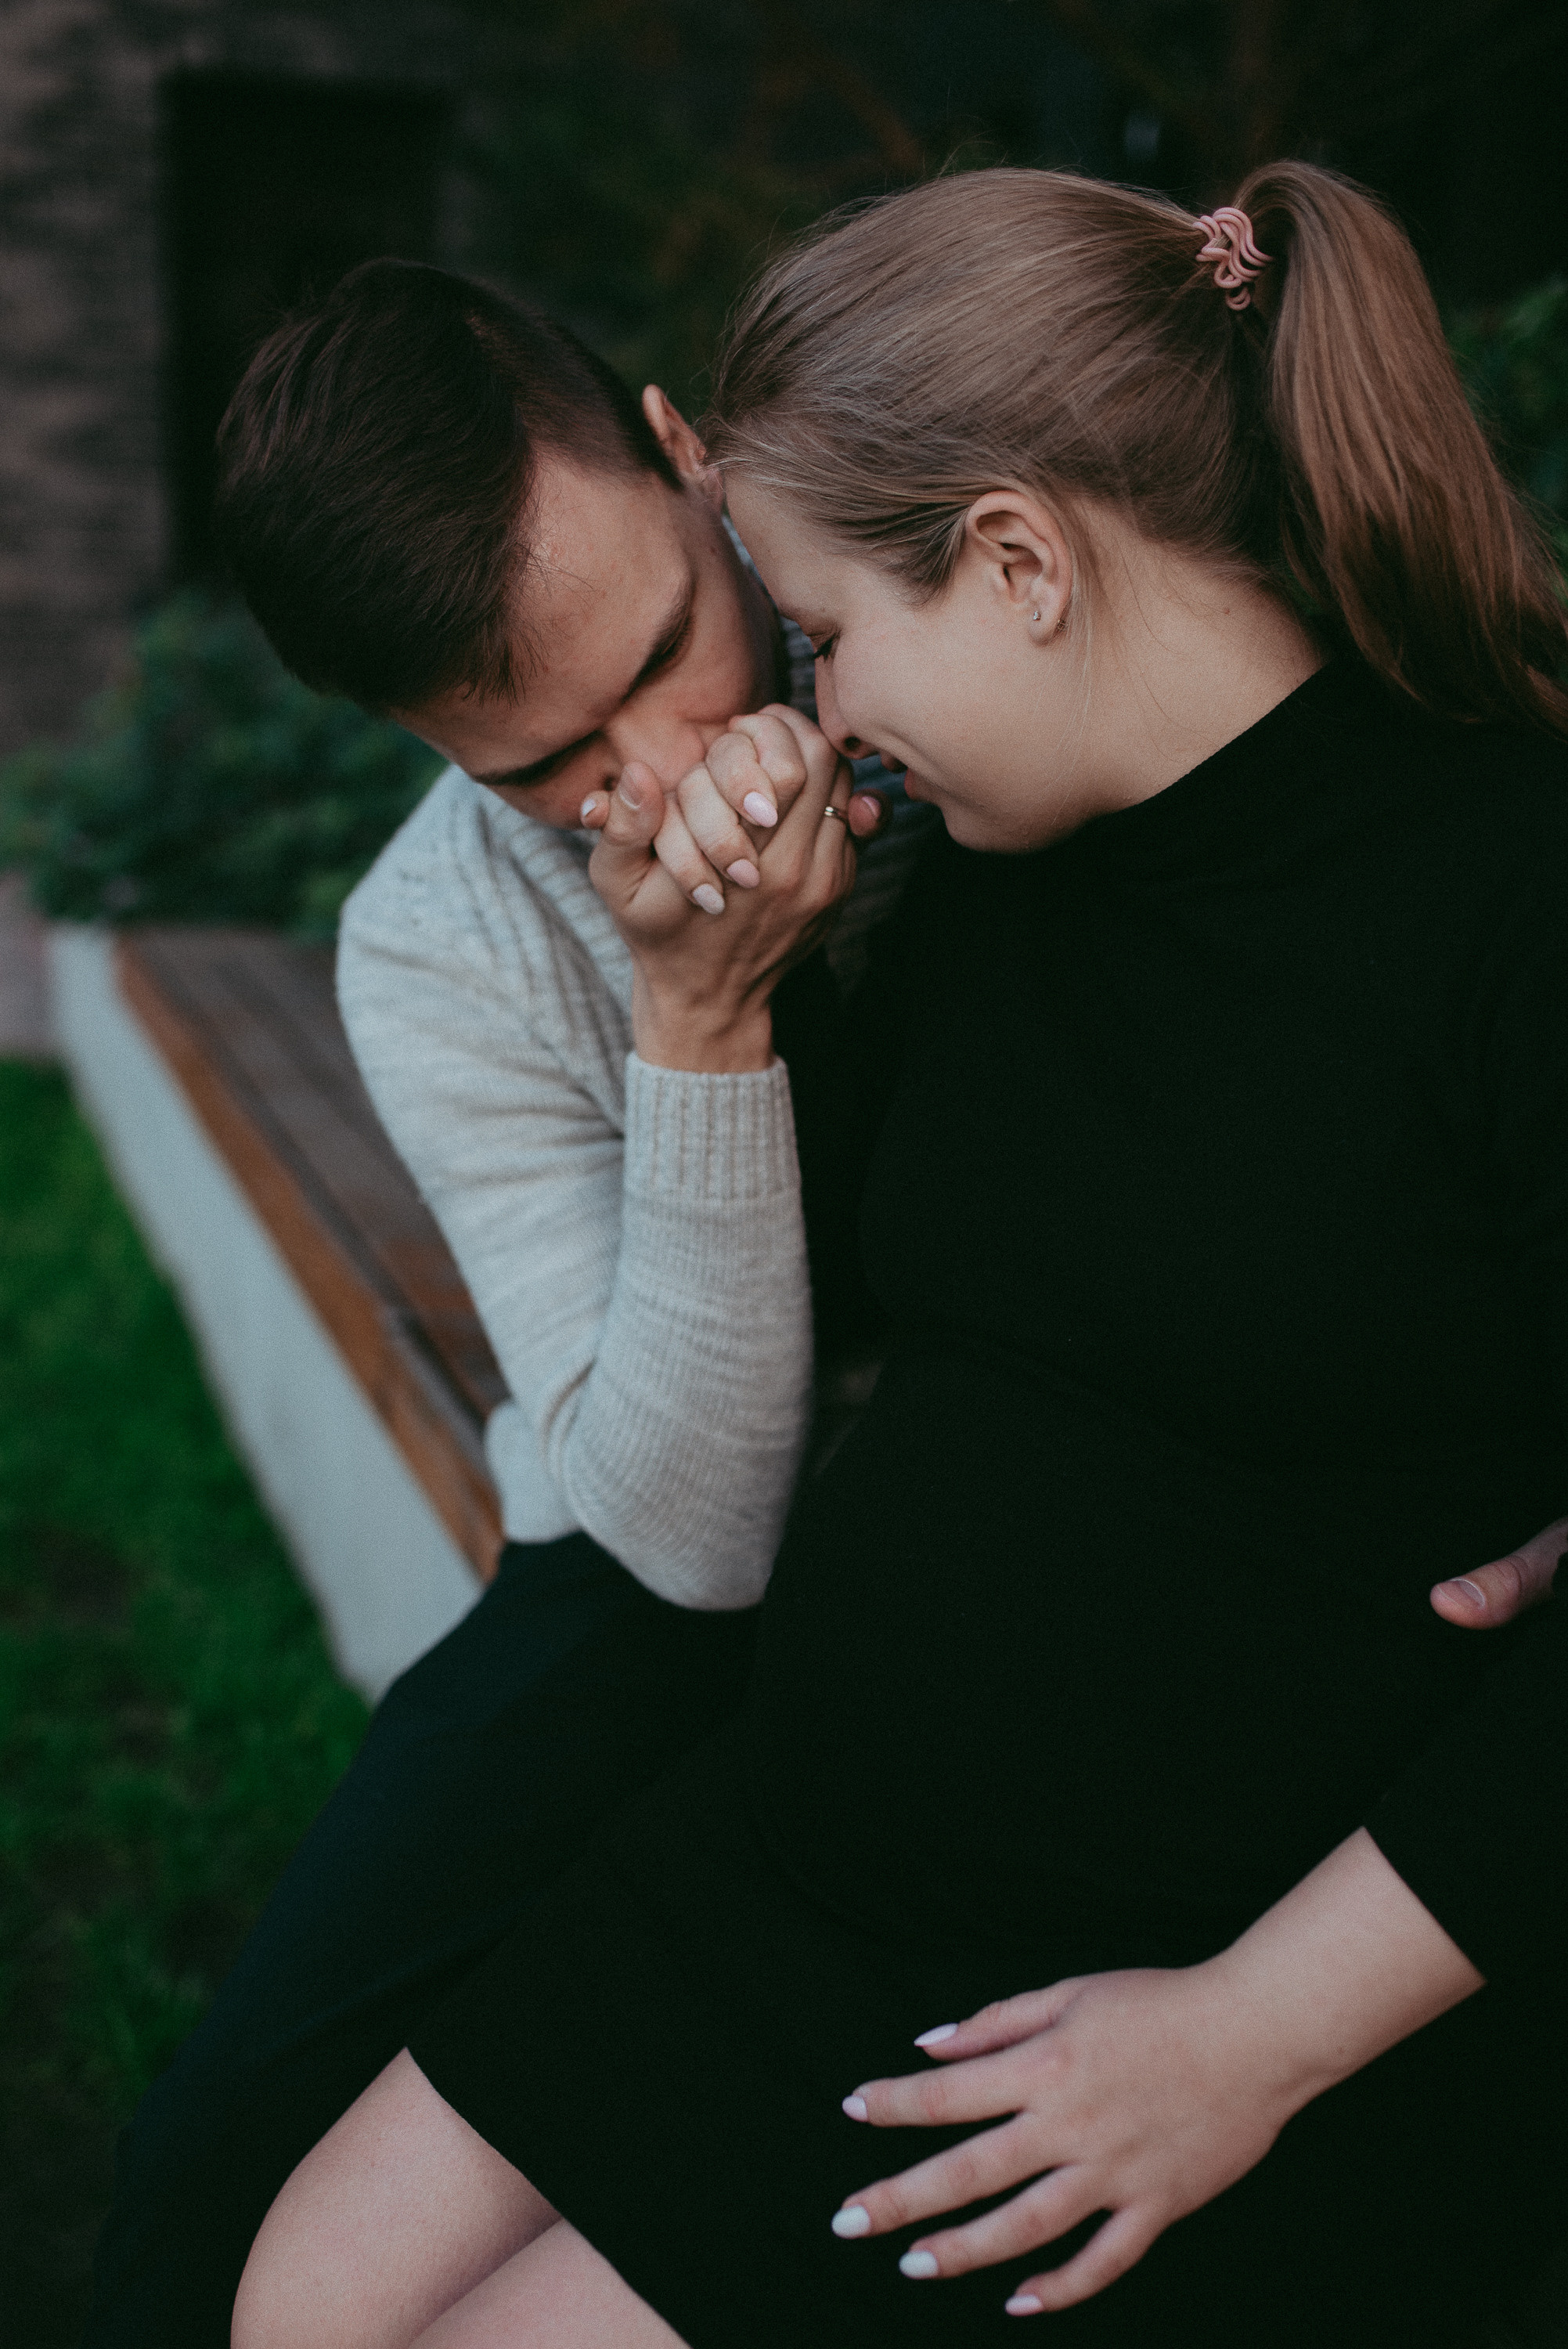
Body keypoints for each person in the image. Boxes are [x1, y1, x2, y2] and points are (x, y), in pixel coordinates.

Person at [230, 164, 1568, 2349]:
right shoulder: (1005, 871)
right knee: (291, 2298)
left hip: (1176, 1984)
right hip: (803, 1855)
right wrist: (702, 1018)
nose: (800, 727)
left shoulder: (1497, 886)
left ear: (1021, 562)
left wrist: (1243, 2040)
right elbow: (757, 1392)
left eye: (807, 639)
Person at [81, 262, 924, 2349]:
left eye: (667, 646)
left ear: (675, 448)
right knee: (206, 2194)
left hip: (991, 1502)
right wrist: (696, 1021)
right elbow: (688, 1535)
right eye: (549, 764)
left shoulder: (932, 649)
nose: (671, 761)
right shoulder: (436, 945)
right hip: (644, 1551)